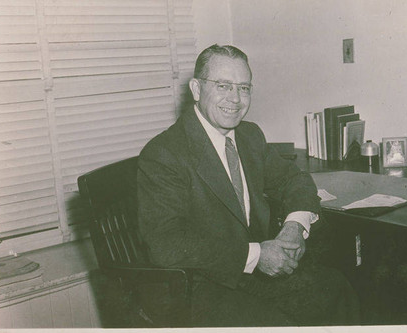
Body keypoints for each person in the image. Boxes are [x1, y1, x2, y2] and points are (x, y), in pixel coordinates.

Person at [137, 44, 360, 327]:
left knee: (335, 288)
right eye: (223, 85)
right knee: (277, 323)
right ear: (196, 89)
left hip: (251, 276)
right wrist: (256, 255)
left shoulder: (249, 136)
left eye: (244, 88)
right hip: (198, 285)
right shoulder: (164, 153)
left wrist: (294, 228)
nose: (235, 99)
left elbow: (294, 179)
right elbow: (166, 244)